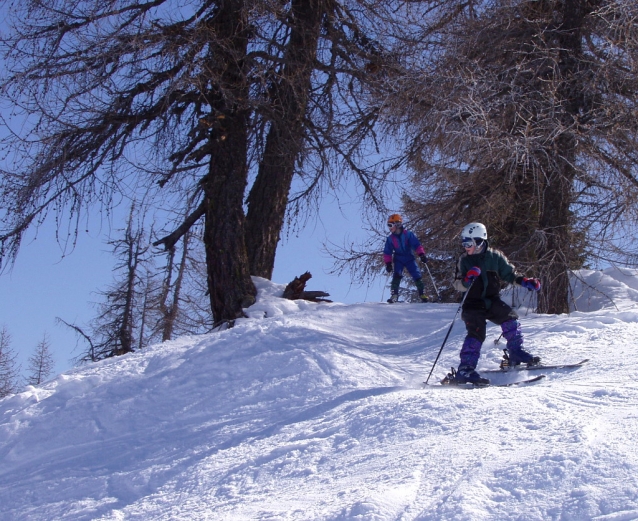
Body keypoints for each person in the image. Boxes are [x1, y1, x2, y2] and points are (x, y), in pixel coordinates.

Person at [450, 222, 542, 385]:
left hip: (491, 301)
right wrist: (466, 279)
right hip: (472, 303)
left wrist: (525, 281)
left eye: (468, 243)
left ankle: (516, 352)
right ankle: (465, 369)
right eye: (464, 243)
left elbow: (510, 275)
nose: (466, 247)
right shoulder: (464, 260)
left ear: (479, 241)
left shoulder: (495, 257)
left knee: (510, 318)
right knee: (477, 332)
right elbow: (456, 284)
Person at [383, 214, 429, 303]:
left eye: (390, 225)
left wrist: (422, 254)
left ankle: (422, 293)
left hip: (409, 257)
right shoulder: (390, 239)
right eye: (388, 225)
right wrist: (388, 263)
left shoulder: (408, 234)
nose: (389, 228)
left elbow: (416, 245)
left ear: (397, 224)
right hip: (398, 258)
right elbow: (387, 252)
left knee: (416, 273)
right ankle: (394, 295)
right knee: (397, 275)